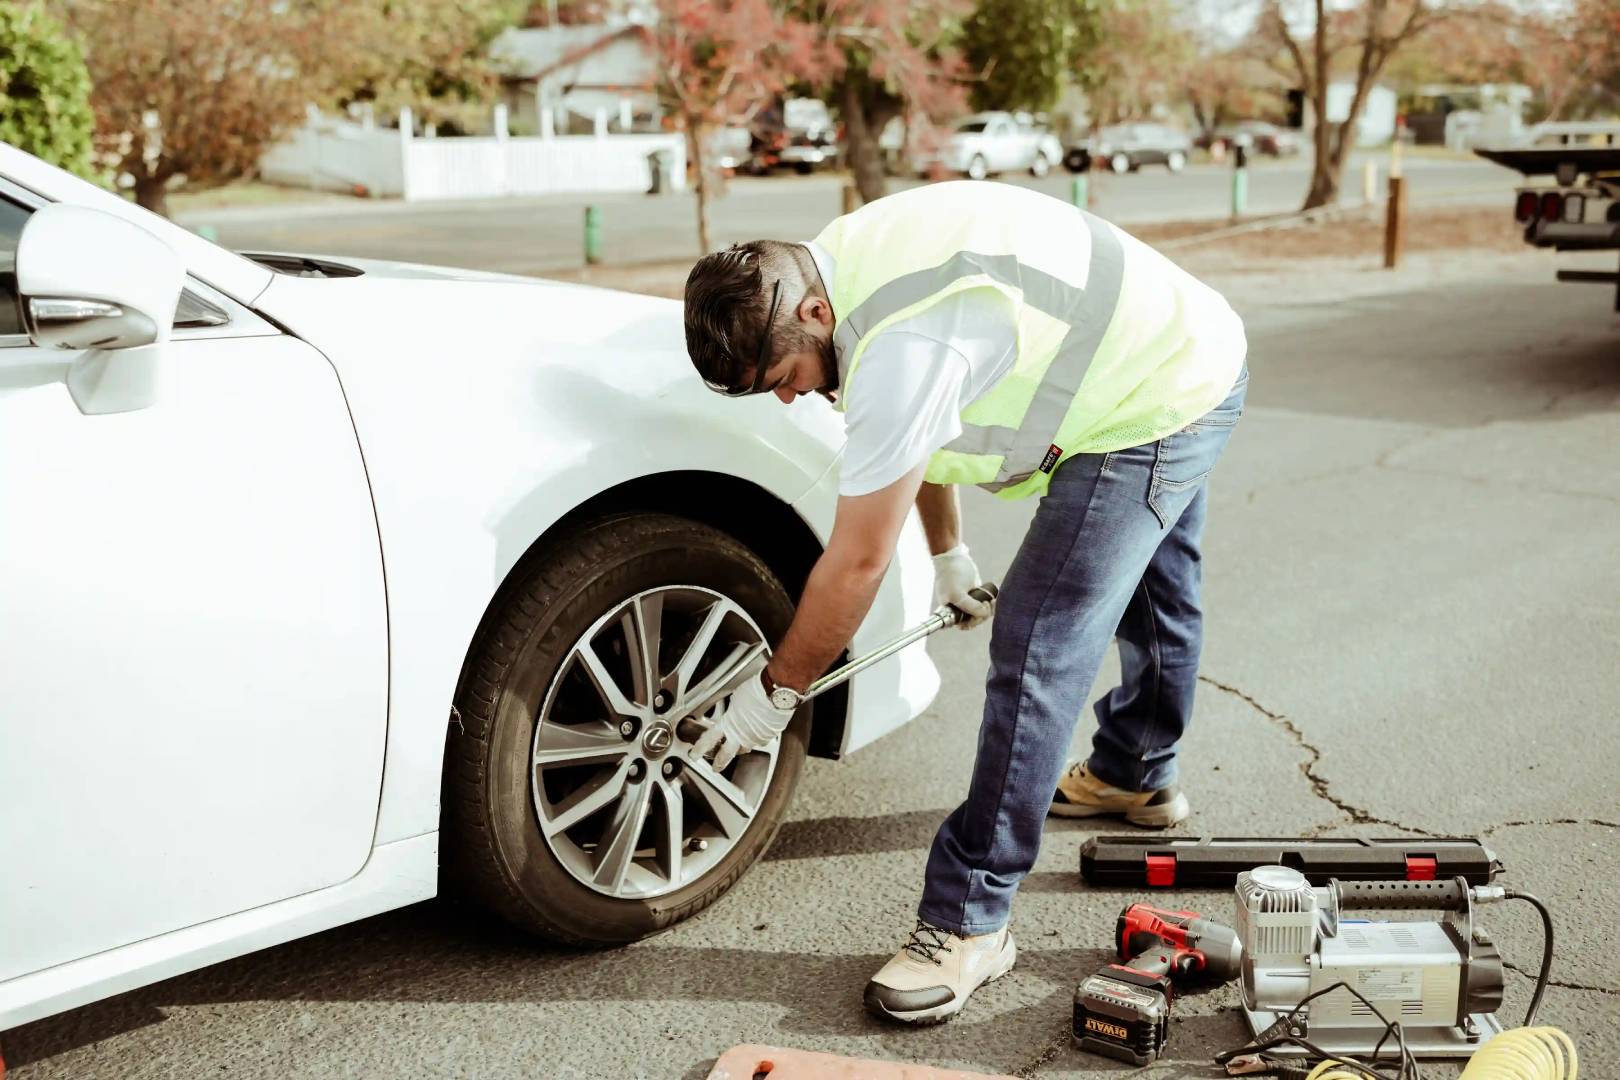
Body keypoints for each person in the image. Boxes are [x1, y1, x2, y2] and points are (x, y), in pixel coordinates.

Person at [680, 181, 1248, 1024]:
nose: (793, 398)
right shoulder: (841, 267)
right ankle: (1136, 774)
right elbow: (923, 441)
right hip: (1190, 346)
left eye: (785, 378)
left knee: (1035, 646)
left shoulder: (903, 343)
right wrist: (949, 554)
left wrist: (773, 698)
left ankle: (969, 917)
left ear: (807, 310)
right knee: (1155, 590)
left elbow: (857, 562)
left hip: (1150, 398)